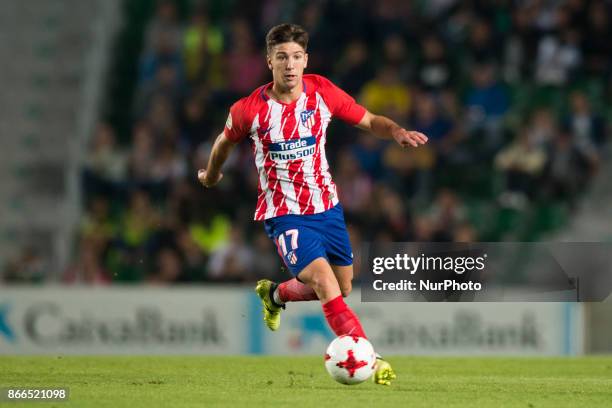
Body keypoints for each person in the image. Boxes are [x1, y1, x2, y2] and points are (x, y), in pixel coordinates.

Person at [198, 23, 428, 385]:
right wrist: (211, 175)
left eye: (295, 57)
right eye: (281, 58)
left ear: (305, 60)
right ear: (268, 61)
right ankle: (371, 357)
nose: (289, 65)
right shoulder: (249, 110)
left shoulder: (322, 92)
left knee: (343, 286)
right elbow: (223, 143)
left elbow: (368, 120)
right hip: (284, 213)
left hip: (327, 208)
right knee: (324, 281)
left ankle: (275, 293)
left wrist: (396, 131)